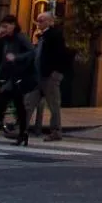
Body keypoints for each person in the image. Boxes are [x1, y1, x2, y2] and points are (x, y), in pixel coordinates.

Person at [0, 15, 34, 145]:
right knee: (9, 105)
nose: (4, 29)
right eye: (2, 26)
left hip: (19, 77)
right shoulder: (6, 40)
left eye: (6, 26)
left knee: (10, 105)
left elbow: (31, 53)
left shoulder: (20, 38)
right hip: (10, 78)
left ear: (13, 25)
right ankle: (22, 134)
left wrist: (16, 57)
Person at [27, 11, 69, 140]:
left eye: (42, 20)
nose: (38, 23)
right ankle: (21, 128)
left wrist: (56, 73)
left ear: (50, 22)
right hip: (39, 75)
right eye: (38, 20)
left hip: (49, 75)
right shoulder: (41, 36)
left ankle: (56, 131)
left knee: (53, 104)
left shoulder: (54, 35)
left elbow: (60, 55)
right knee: (28, 102)